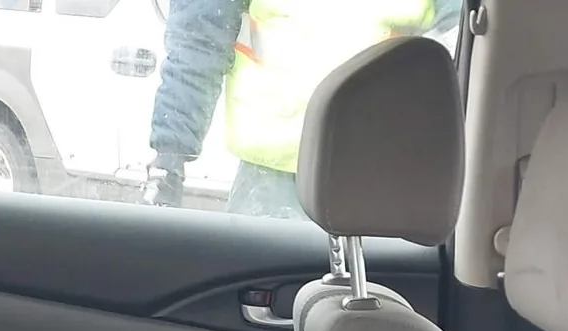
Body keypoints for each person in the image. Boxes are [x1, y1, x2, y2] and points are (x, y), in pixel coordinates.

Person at [145, 0, 442, 216]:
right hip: (274, 180)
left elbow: (460, 38)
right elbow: (200, 38)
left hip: (383, 173)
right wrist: (170, 157)